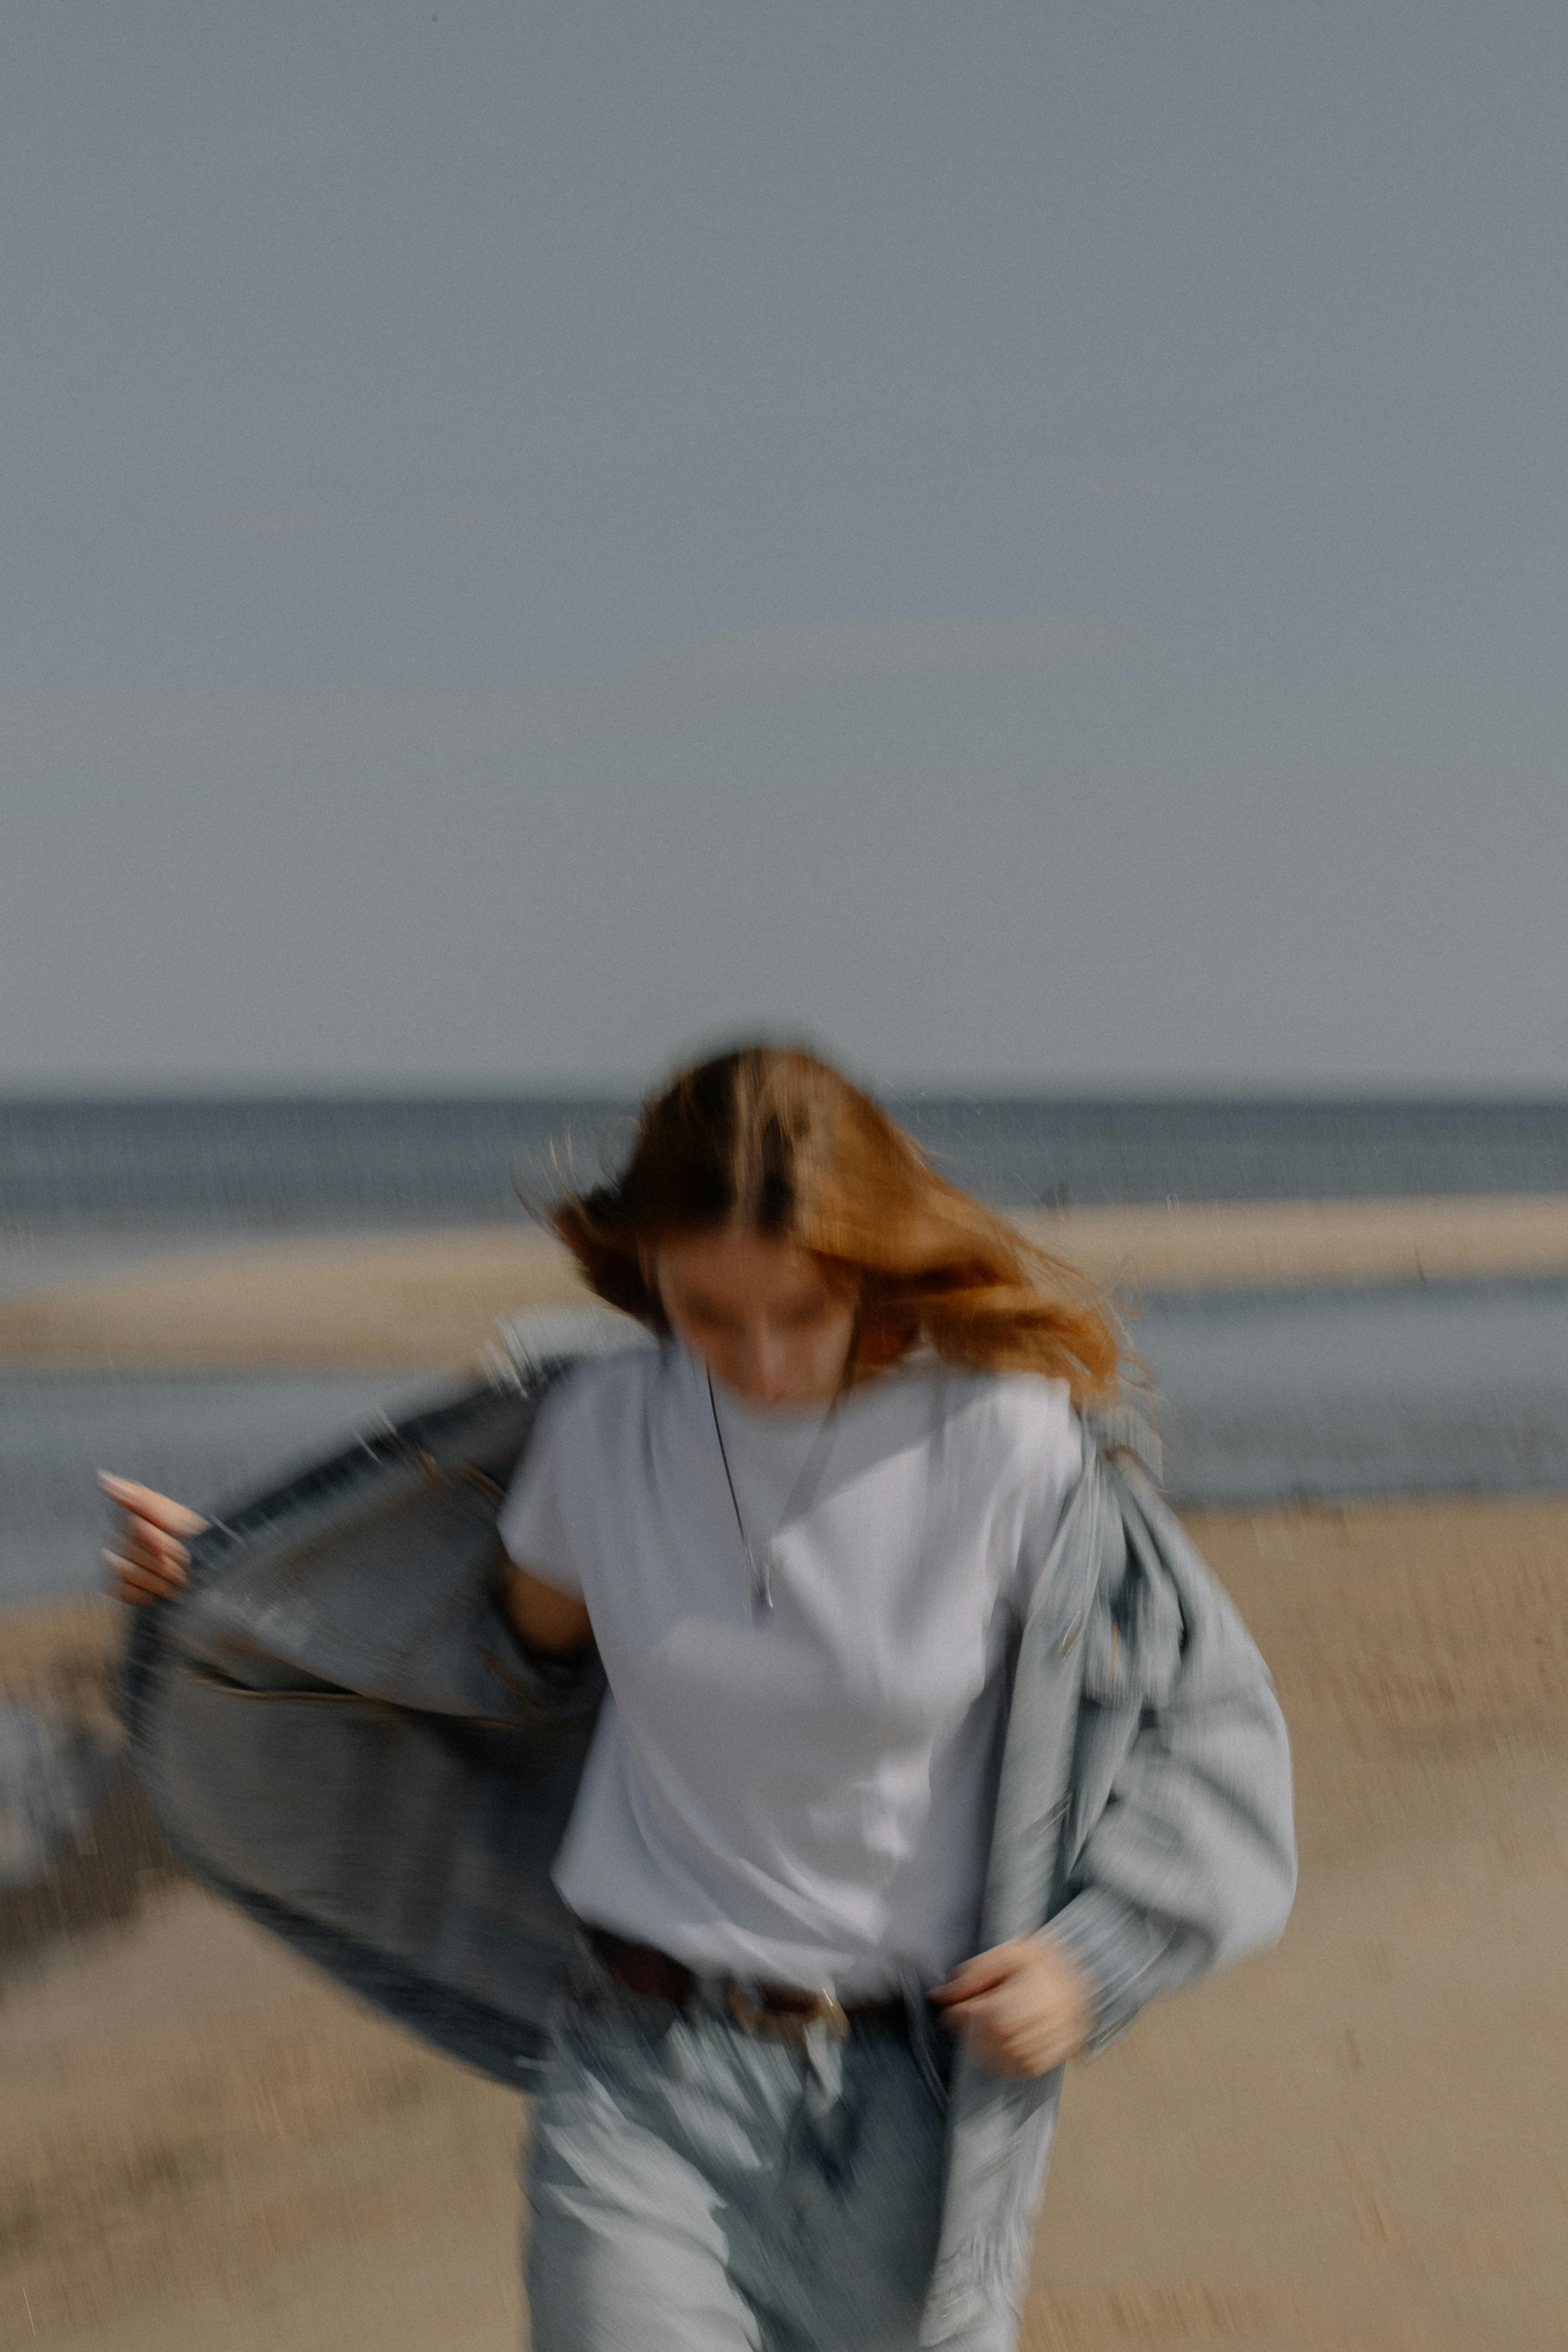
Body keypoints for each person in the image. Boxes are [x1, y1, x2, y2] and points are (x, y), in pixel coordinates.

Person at [104, 1042, 1295, 2352]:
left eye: (803, 1312)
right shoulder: (604, 1427)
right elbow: (487, 1661)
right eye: (710, 1315)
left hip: (904, 2126)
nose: (762, 1363)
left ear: (869, 1265)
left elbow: (1209, 1733)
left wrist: (1094, 1961)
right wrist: (233, 1580)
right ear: (646, 1271)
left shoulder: (1005, 1441)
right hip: (637, 2081)